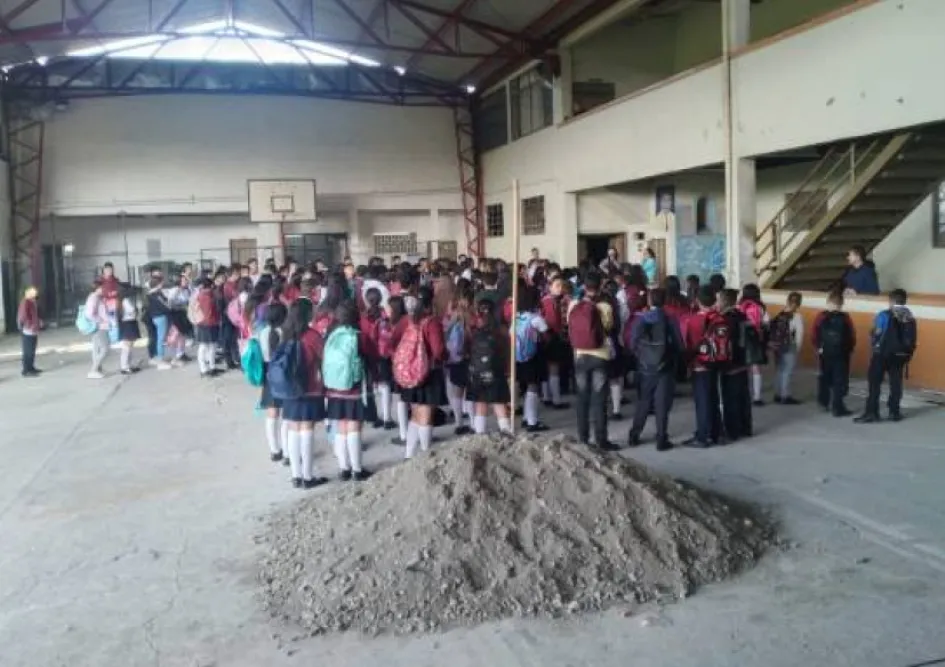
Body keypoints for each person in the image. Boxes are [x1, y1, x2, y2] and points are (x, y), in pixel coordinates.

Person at [279, 299, 328, 489]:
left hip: (289, 389)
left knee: (293, 429)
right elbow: (324, 358)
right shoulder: (313, 336)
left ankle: (296, 475)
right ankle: (308, 477)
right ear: (307, 315)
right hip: (310, 387)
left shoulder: (286, 334)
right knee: (307, 430)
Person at [626, 288, 681, 451]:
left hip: (645, 367)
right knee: (662, 404)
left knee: (644, 401)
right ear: (665, 301)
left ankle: (634, 435)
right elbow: (678, 344)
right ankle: (661, 439)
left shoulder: (642, 320)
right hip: (665, 367)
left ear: (649, 301)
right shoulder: (669, 319)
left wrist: (641, 357)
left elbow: (632, 342)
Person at [324, 300, 372, 481]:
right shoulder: (359, 336)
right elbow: (371, 355)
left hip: (334, 388)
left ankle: (344, 468)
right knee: (354, 426)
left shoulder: (331, 335)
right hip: (354, 386)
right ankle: (358, 470)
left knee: (341, 427)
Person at [397, 286, 447, 459]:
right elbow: (438, 349)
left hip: (409, 373)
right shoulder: (431, 322)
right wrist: (446, 356)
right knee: (426, 415)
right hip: (429, 374)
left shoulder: (406, 320)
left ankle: (409, 454)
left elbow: (394, 341)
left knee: (416, 414)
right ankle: (426, 454)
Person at [568, 271, 616, 449]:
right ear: (601, 286)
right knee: (599, 399)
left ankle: (583, 438)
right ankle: (601, 440)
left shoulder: (574, 304)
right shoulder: (605, 306)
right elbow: (609, 327)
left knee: (582, 398)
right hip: (600, 356)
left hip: (580, 355)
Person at [855, 288, 917, 424]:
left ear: (891, 301)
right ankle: (894, 412)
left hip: (882, 354)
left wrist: (873, 339)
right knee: (896, 383)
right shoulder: (910, 318)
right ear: (904, 301)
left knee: (874, 383)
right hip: (900, 356)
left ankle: (872, 412)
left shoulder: (884, 315)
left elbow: (877, 333)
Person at [682, 286, 725, 447]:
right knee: (714, 397)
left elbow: (689, 345)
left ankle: (703, 436)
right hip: (717, 362)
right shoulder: (719, 317)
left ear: (697, 301)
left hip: (700, 364)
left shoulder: (693, 320)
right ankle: (717, 432)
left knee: (703, 401)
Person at [466, 298, 512, 434]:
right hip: (496, 372)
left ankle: (479, 434)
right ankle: (506, 431)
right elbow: (507, 351)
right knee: (499, 403)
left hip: (476, 373)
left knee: (480, 403)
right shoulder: (501, 330)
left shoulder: (472, 330)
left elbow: (466, 350)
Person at [812, 290, 856, 417]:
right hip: (841, 354)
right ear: (841, 304)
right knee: (839, 380)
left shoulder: (821, 316)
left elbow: (814, 334)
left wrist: (818, 347)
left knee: (824, 377)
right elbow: (852, 336)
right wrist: (849, 349)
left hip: (825, 353)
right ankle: (838, 407)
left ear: (828, 302)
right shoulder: (846, 317)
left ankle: (823, 402)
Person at [515, 285, 550, 432]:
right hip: (533, 356)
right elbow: (546, 335)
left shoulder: (517, 317)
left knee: (524, 387)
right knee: (533, 388)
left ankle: (525, 418)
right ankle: (532, 421)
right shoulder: (536, 318)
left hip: (518, 356)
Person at [718, 288, 752, 442]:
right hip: (744, 361)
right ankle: (746, 427)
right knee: (743, 396)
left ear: (724, 301)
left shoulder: (723, 319)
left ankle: (732, 430)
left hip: (730, 363)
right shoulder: (742, 316)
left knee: (730, 398)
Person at [259, 303, 288, 462]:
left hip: (269, 374)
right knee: (286, 414)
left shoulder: (262, 332)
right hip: (284, 374)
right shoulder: (285, 333)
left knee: (271, 413)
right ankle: (287, 451)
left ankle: (274, 450)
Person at [770, 292, 804, 404]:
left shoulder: (779, 314)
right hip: (790, 346)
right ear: (799, 303)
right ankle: (786, 395)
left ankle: (777, 394)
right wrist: (797, 349)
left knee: (779, 370)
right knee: (787, 371)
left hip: (777, 346)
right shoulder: (797, 316)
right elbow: (799, 334)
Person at [738, 283, 769, 406]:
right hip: (755, 340)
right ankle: (757, 397)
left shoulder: (739, 306)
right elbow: (766, 323)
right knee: (756, 369)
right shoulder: (760, 307)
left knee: (742, 369)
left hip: (741, 340)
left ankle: (743, 394)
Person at [192, 278, 221, 378]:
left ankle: (207, 368)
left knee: (206, 346)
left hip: (204, 324)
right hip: (209, 324)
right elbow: (210, 312)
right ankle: (206, 369)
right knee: (207, 346)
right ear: (210, 286)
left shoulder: (201, 295)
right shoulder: (207, 296)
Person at [85, 279, 111, 379]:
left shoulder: (96, 297)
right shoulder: (94, 298)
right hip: (100, 326)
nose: (104, 289)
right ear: (98, 288)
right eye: (103, 287)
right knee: (105, 348)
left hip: (99, 326)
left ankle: (97, 368)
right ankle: (94, 369)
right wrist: (100, 320)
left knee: (97, 348)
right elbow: (89, 314)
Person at [17, 286, 42, 378]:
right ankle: (26, 370)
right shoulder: (25, 302)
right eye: (33, 291)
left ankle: (31, 367)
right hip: (28, 329)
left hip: (33, 329)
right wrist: (29, 325)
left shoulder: (32, 302)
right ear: (27, 292)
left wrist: (38, 322)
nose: (35, 292)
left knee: (32, 350)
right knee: (28, 350)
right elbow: (23, 316)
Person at [117, 284, 141, 375]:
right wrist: (137, 307)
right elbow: (131, 310)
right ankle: (125, 366)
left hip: (128, 322)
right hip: (128, 323)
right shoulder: (125, 300)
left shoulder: (122, 300)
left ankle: (127, 365)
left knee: (128, 345)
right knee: (127, 345)